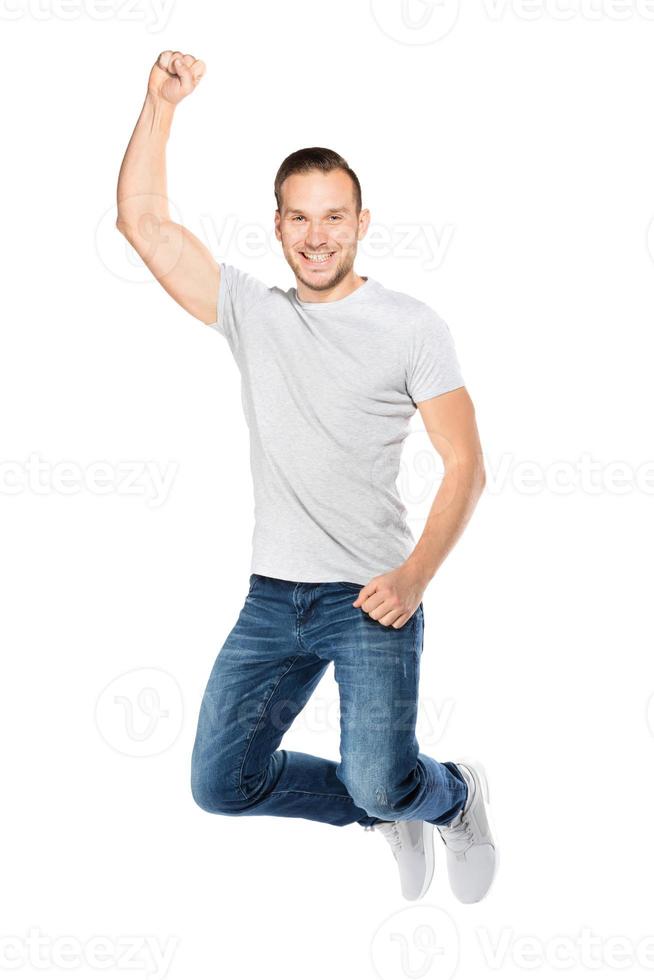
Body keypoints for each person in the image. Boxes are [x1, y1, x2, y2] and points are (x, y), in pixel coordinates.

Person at [116, 50, 498, 904]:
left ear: (363, 222)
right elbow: (143, 222)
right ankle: (382, 803)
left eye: (334, 217)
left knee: (383, 775)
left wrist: (413, 576)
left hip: (372, 594)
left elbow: (467, 466)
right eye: (299, 218)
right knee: (222, 783)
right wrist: (158, 105)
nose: (316, 235)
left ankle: (450, 794)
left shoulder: (411, 326)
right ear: (279, 226)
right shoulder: (253, 311)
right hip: (271, 599)